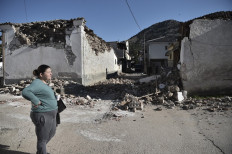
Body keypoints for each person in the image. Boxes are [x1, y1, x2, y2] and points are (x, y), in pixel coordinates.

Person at [22, 64, 58, 154]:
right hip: (43, 114)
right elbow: (25, 91)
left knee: (52, 132)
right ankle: (42, 151)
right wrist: (36, 100)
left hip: (51, 114)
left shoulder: (44, 83)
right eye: (49, 72)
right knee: (42, 139)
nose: (51, 74)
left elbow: (43, 94)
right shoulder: (37, 83)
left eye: (51, 72)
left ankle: (41, 151)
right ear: (41, 74)